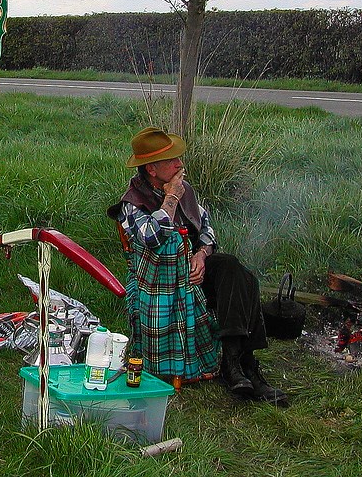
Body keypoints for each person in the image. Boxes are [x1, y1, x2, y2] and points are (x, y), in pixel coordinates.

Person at [110, 126, 288, 406]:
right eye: (171, 160)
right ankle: (238, 366)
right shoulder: (133, 203)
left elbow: (206, 229)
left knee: (237, 272)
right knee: (239, 278)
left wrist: (202, 255)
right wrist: (170, 199)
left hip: (192, 272)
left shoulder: (186, 190)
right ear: (152, 169)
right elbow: (152, 239)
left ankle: (238, 362)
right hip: (162, 283)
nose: (179, 164)